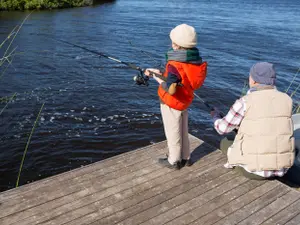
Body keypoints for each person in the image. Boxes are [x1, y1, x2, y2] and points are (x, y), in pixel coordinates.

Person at [211, 62, 296, 181]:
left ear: (254, 81)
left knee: (225, 142)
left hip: (255, 172)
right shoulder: (287, 100)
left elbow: (222, 129)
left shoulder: (245, 101)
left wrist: (215, 117)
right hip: (282, 169)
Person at [144, 24, 207, 169]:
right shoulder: (196, 61)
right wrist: (158, 72)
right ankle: (186, 157)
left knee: (173, 132)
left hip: (172, 102)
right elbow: (181, 78)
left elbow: (171, 89)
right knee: (184, 130)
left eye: (173, 42)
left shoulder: (174, 64)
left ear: (176, 45)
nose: (171, 44)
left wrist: (157, 79)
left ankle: (174, 161)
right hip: (185, 100)